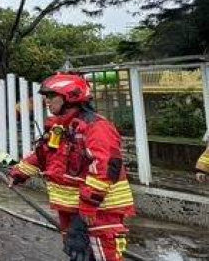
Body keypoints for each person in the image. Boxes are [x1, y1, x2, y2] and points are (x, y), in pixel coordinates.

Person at [8, 73, 135, 261]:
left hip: (99, 212)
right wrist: (20, 173)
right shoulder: (61, 127)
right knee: (79, 256)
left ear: (70, 97)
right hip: (74, 212)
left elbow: (104, 170)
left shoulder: (96, 127)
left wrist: (85, 214)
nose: (47, 102)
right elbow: (44, 155)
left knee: (104, 256)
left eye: (52, 97)